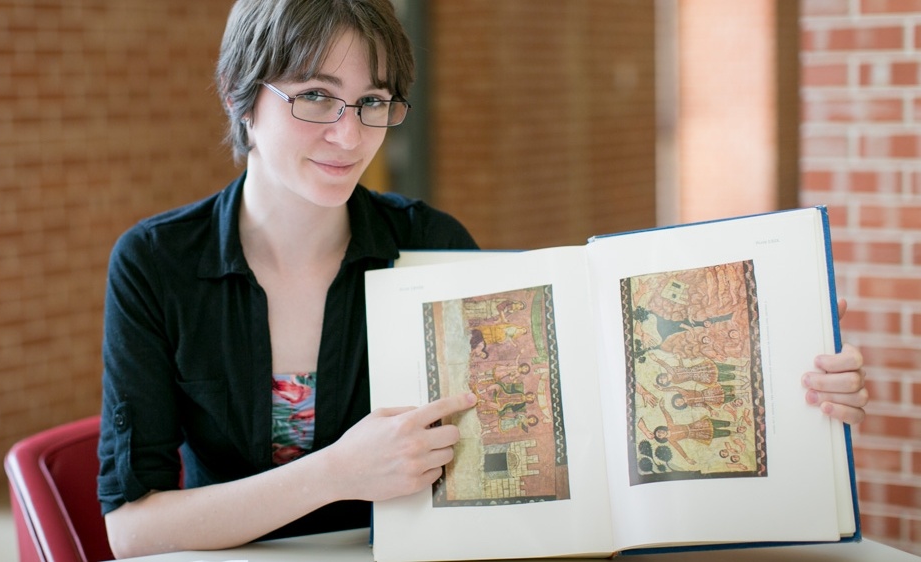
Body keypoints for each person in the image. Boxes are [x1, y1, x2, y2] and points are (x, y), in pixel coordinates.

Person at [96, 0, 870, 558]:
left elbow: (563, 413)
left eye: (372, 102)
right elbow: (133, 530)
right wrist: (338, 472)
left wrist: (788, 383)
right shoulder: (157, 264)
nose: (348, 134)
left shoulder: (428, 246)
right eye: (314, 97)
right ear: (241, 94)